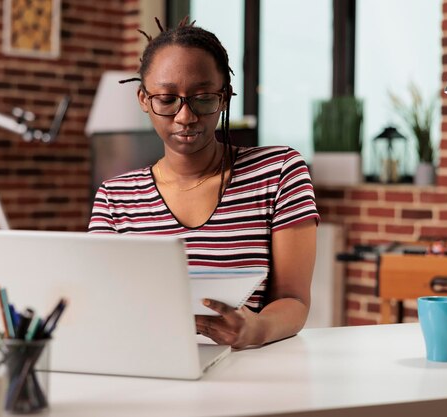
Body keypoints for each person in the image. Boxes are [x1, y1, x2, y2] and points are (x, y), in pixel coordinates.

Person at [89, 18, 319, 349]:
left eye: (204, 98)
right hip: (148, 365)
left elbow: (293, 300)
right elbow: (104, 303)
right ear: (143, 99)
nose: (186, 116)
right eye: (167, 99)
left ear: (224, 97)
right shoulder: (115, 197)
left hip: (244, 369)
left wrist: (256, 329)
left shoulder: (278, 172)